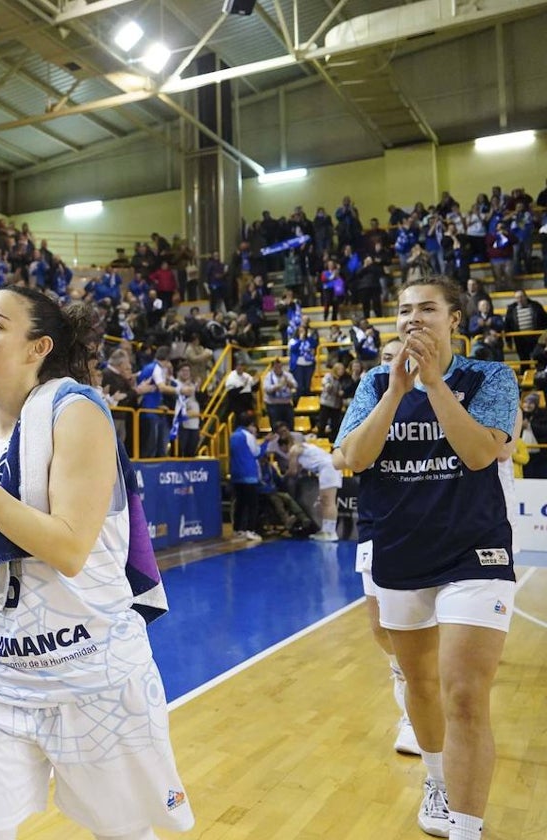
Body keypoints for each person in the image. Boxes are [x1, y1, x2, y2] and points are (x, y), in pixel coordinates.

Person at [0, 286, 194, 840]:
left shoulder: (76, 411)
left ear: (39, 348)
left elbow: (69, 549)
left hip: (91, 670)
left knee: (126, 833)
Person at [337, 276, 518, 840]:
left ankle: (467, 828)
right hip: (399, 551)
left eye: (427, 308)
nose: (413, 318)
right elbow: (353, 459)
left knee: (463, 688)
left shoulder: (490, 377)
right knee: (419, 682)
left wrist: (435, 386)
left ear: (453, 320)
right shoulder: (373, 382)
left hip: (474, 551)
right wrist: (395, 392)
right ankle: (436, 781)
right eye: (404, 310)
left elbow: (479, 452)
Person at [333, 337, 420, 757]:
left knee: (424, 632)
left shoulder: (431, 399)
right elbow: (340, 457)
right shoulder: (369, 397)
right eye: (385, 358)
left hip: (426, 523)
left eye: (396, 356)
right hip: (377, 524)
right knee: (381, 628)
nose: (393, 362)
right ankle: (403, 674)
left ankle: (415, 710)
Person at [285, 436, 342, 541]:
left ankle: (331, 533)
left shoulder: (294, 449)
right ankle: (326, 530)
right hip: (327, 469)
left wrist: (283, 475)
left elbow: (293, 471)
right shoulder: (305, 448)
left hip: (328, 469)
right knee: (324, 502)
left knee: (328, 501)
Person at [229, 411, 263, 541]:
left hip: (236, 474)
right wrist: (265, 443)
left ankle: (238, 529)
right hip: (248, 474)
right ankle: (250, 529)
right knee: (252, 504)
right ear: (250, 425)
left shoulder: (233, 435)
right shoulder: (248, 436)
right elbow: (256, 453)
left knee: (240, 503)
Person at [263, 358, 297, 432]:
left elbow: (295, 385)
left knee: (290, 426)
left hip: (286, 404)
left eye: (280, 367)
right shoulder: (268, 376)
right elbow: (266, 388)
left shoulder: (287, 375)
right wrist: (278, 386)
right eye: (276, 367)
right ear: (273, 367)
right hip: (273, 405)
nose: (278, 368)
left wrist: (289, 383)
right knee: (276, 427)